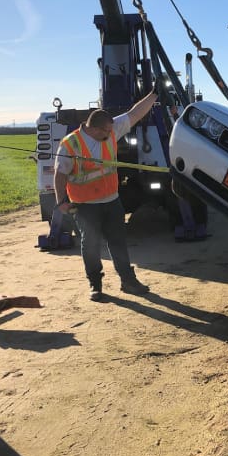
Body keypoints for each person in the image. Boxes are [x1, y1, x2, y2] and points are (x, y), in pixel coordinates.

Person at [53, 88, 158, 301]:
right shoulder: (70, 145)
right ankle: (95, 285)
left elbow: (134, 114)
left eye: (112, 131)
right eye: (106, 132)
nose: (112, 135)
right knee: (90, 245)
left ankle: (128, 281)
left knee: (118, 242)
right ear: (95, 128)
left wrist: (154, 95)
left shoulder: (109, 131)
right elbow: (60, 174)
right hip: (85, 206)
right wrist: (61, 202)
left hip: (112, 201)